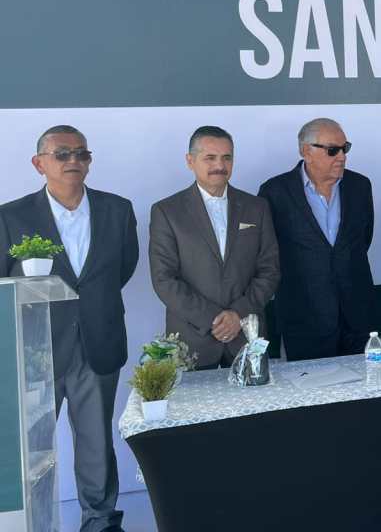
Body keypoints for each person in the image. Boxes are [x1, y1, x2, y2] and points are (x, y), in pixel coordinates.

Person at [0, 125, 138, 532]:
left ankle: (101, 521)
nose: (73, 161)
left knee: (96, 442)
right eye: (62, 154)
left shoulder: (117, 210)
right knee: (32, 452)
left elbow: (122, 268)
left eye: (82, 153)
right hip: (35, 350)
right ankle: (34, 524)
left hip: (98, 342)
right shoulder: (11, 216)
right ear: (38, 163)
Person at [150, 126, 280, 370]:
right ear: (190, 161)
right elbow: (164, 279)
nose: (219, 165)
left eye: (226, 157)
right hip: (192, 340)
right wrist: (214, 319)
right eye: (210, 157)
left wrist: (237, 315)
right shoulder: (167, 211)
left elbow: (269, 270)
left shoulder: (257, 207)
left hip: (247, 336)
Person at [258, 118, 374, 360]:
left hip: (356, 315)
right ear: (306, 152)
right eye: (332, 150)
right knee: (311, 384)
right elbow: (268, 252)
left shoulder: (360, 186)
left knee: (363, 383)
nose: (341, 157)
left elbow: (363, 240)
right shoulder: (275, 192)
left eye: (345, 148)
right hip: (303, 318)